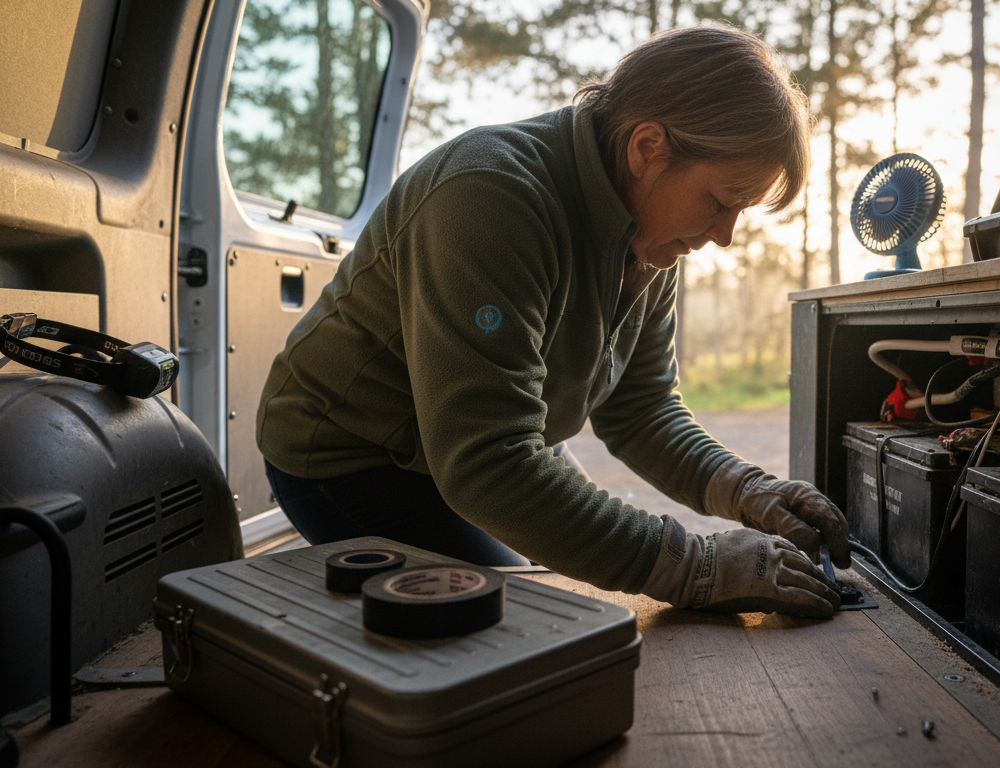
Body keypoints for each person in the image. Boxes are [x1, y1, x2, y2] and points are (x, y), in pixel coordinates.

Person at [256, 23, 851, 618]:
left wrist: (747, 489)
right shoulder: (490, 196)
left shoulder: (649, 235)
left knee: (549, 575)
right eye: (721, 202)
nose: (723, 235)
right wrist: (693, 566)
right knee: (515, 619)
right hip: (353, 458)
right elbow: (489, 466)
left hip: (479, 447)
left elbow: (640, 409)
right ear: (648, 148)